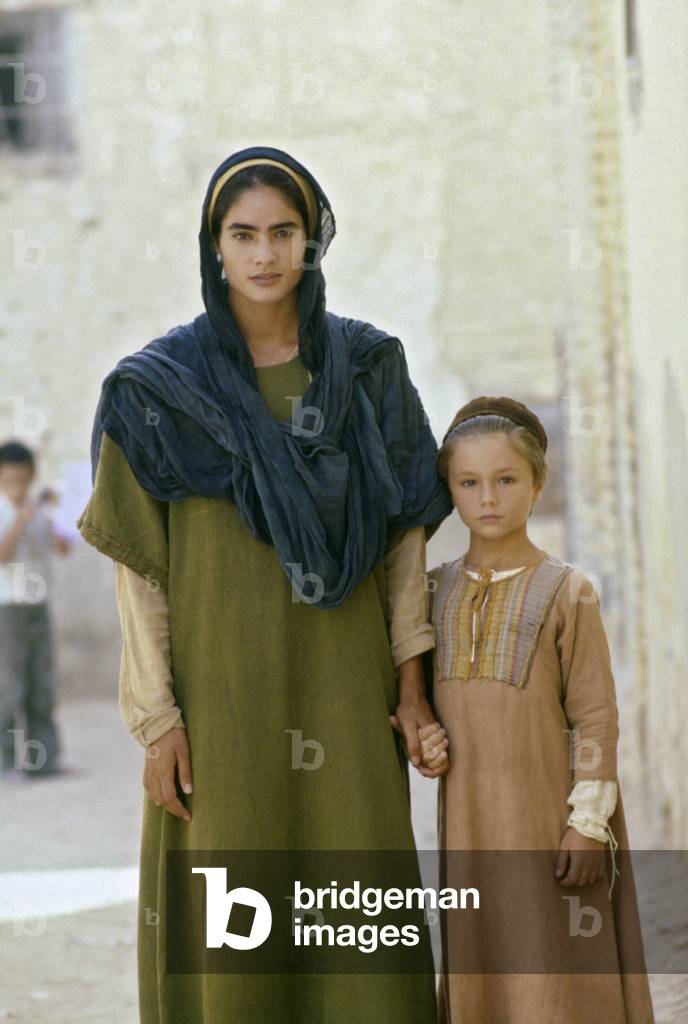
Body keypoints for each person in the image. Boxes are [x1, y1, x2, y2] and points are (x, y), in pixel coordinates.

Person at [75, 146, 453, 1022]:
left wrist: (412, 688)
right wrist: (157, 722)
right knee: (231, 922)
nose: (265, 253)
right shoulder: (158, 390)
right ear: (214, 245)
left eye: (284, 232)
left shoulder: (368, 370)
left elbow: (402, 543)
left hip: (347, 695)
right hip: (221, 706)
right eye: (242, 234)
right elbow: (141, 573)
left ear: (312, 241)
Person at [417, 396, 656, 1023]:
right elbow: (419, 707)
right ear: (450, 490)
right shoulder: (433, 591)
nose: (487, 498)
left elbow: (595, 716)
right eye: (469, 483)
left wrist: (588, 823)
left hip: (551, 821)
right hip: (472, 826)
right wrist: (426, 742)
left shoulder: (569, 591)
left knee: (557, 969)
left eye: (506, 480)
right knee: (488, 962)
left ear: (538, 483)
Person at [0, 440, 71, 780]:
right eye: (10, 480)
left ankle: (45, 762)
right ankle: (5, 761)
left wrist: (53, 515)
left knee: (42, 684)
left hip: (38, 606)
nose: (18, 487)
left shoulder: (39, 510)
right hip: (7, 608)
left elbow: (63, 549)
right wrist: (19, 520)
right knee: (7, 686)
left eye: (23, 480)